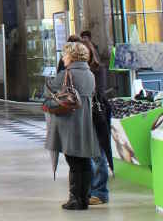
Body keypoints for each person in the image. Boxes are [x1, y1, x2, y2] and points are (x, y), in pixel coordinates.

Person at [46, 41, 102, 211]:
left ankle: (75, 199)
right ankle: (84, 198)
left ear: (72, 56)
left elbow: (48, 90)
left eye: (65, 54)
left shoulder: (66, 74)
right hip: (85, 123)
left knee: (74, 163)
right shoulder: (90, 74)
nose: (63, 58)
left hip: (69, 124)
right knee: (84, 162)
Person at [83, 36, 112, 206]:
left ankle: (100, 192)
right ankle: (91, 189)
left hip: (96, 115)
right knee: (88, 155)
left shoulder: (97, 69)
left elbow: (97, 92)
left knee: (98, 155)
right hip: (84, 116)